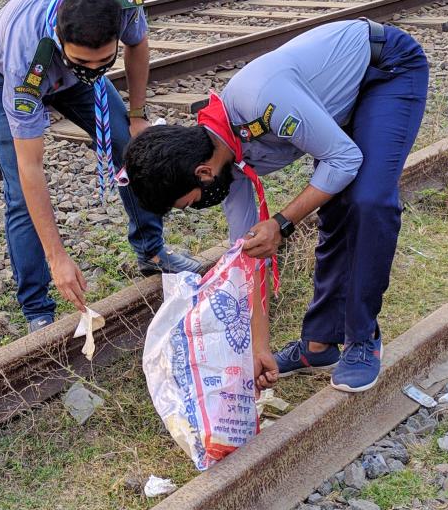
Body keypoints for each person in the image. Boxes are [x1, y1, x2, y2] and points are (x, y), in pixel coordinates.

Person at [124, 20, 428, 392]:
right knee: (333, 208)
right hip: (342, 95)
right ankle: (319, 344)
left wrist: (282, 222)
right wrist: (258, 348)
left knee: (367, 202)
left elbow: (344, 161)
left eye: (189, 203)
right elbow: (249, 254)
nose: (197, 208)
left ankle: (362, 341)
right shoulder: (226, 161)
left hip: (386, 69)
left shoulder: (261, 102)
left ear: (202, 173)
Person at [0, 0, 201, 333]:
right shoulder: (26, 61)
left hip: (63, 63)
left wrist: (138, 115)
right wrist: (59, 258)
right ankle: (38, 310)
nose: (95, 72)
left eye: (104, 63)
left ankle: (151, 250)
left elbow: (139, 45)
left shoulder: (125, 2)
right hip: (4, 70)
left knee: (131, 150)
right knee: (20, 194)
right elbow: (30, 167)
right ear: (62, 41)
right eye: (83, 63)